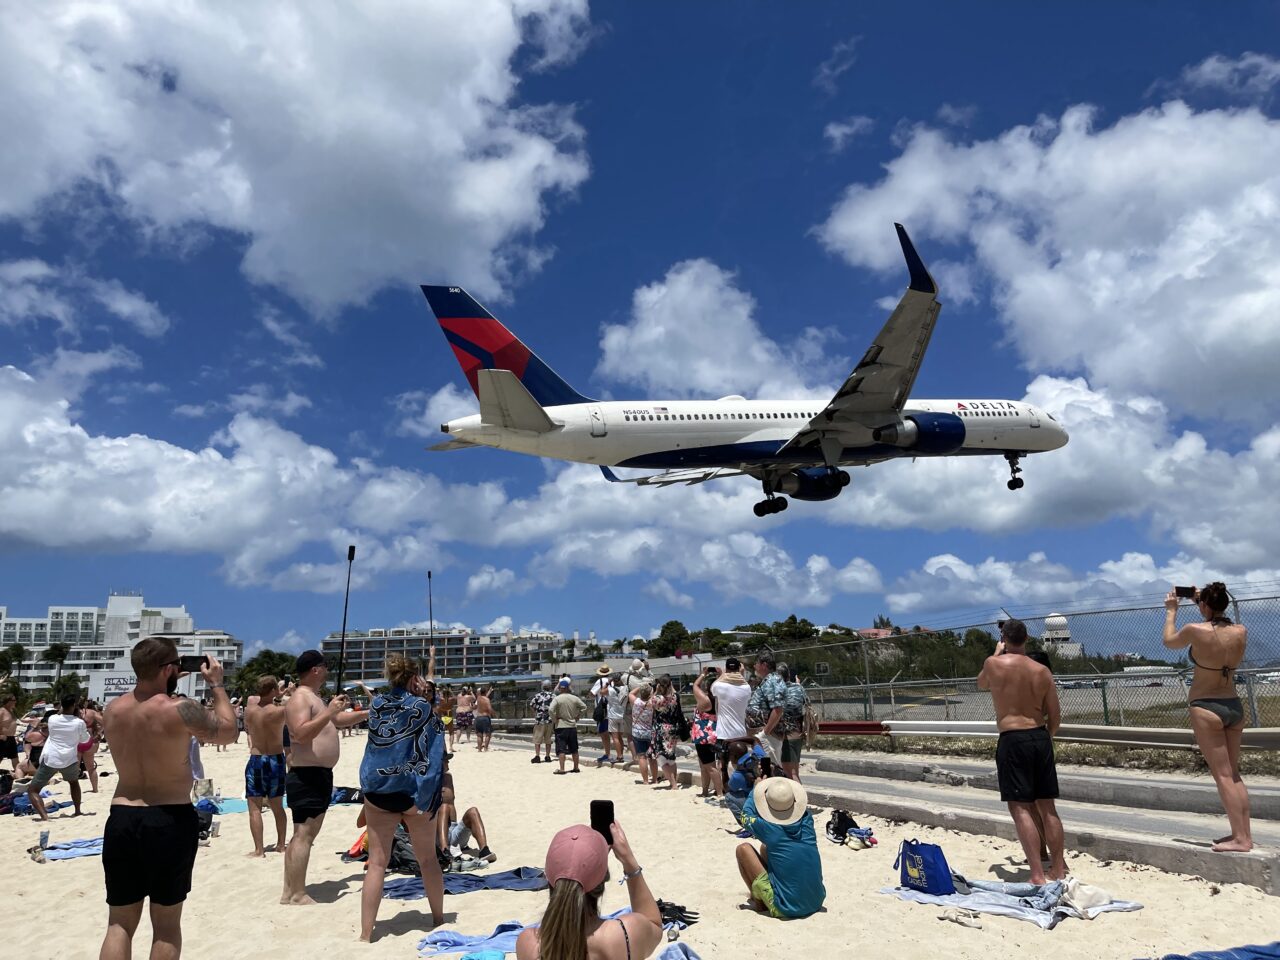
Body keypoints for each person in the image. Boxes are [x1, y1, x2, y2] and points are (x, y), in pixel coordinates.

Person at [98, 639, 237, 960]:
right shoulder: (180, 709)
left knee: (118, 924)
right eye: (176, 664)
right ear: (168, 669)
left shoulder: (112, 710)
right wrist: (216, 684)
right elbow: (228, 732)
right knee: (165, 925)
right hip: (169, 819)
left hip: (122, 817)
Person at [357, 654, 446, 941]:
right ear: (414, 678)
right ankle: (437, 918)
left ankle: (365, 933)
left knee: (378, 864)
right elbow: (435, 744)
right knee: (428, 860)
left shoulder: (378, 704)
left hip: (378, 788)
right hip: (410, 792)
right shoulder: (421, 705)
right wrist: (424, 700)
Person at [1164, 582, 1252, 853]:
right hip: (1233, 705)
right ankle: (1243, 835)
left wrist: (1171, 611)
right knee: (1233, 775)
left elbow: (1169, 642)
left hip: (1206, 706)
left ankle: (1241, 840)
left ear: (1204, 605)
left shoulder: (1194, 630)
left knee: (1222, 776)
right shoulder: (1240, 631)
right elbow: (1216, 620)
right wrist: (1203, 601)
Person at [977, 619, 1066, 883]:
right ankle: (1058, 869)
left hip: (1012, 738)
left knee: (1020, 808)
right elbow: (1056, 715)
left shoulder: (993, 664)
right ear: (1027, 638)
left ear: (1004, 639)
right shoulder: (1042, 671)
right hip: (1039, 736)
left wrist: (996, 652)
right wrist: (1045, 737)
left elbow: (981, 683)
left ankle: (1037, 873)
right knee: (1048, 807)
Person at [281, 649, 368, 906]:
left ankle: (290, 891)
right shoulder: (300, 698)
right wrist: (329, 712)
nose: (328, 672)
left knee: (301, 834)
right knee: (304, 834)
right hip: (307, 775)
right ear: (316, 670)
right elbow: (300, 734)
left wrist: (365, 714)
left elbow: (338, 720)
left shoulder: (313, 698)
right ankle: (296, 894)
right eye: (324, 667)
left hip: (316, 774)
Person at [515, 822, 663, 960]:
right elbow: (654, 924)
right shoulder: (623, 934)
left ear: (548, 879)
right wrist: (628, 861)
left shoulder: (528, 943)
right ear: (603, 881)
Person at [736, 778, 825, 918]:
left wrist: (755, 791)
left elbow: (745, 816)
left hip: (787, 908)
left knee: (743, 849)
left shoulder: (769, 829)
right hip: (816, 901)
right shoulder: (807, 821)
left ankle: (759, 903)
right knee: (766, 848)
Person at [243, 674, 289, 857]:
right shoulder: (279, 711)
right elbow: (288, 702)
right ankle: (281, 845)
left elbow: (254, 701)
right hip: (276, 758)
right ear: (272, 691)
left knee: (254, 807)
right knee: (277, 805)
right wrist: (281, 695)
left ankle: (259, 850)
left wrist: (274, 693)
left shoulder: (249, 711)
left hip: (256, 758)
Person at [26, 694, 87, 820]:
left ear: (61, 705)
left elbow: (60, 714)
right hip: (69, 759)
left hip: (51, 758)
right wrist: (78, 715)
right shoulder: (79, 723)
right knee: (74, 783)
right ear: (74, 706)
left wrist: (64, 708)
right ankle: (77, 811)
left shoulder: (53, 719)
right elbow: (85, 739)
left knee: (33, 790)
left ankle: (44, 816)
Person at [437, 771, 497, 864]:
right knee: (444, 808)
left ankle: (484, 850)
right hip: (437, 834)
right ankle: (444, 850)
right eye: (445, 759)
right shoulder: (428, 779)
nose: (448, 761)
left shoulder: (448, 777)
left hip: (455, 835)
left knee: (473, 811)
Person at [711, 657, 751, 789]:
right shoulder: (747, 687)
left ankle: (727, 791)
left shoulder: (720, 686)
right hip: (741, 733)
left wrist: (721, 674)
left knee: (723, 766)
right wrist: (741, 674)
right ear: (739, 669)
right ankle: (740, 789)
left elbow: (712, 689)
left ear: (727, 669)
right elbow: (740, 683)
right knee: (740, 764)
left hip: (724, 733)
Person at [746, 653, 787, 768]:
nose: (754, 666)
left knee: (771, 767)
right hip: (764, 734)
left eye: (756, 664)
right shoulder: (768, 680)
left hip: (769, 735)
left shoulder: (773, 680)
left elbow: (778, 709)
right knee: (763, 767)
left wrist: (765, 733)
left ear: (764, 665)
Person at [690, 666, 723, 799]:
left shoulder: (704, 700)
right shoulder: (719, 699)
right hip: (714, 732)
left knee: (709, 766)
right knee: (705, 765)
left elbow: (695, 685)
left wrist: (703, 674)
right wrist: (721, 674)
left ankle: (719, 792)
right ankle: (705, 791)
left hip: (702, 735)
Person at [647, 675, 682, 790]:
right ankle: (674, 781)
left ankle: (673, 784)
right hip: (673, 728)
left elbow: (649, 705)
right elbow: (674, 694)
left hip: (661, 729)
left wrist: (655, 691)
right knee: (671, 758)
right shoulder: (675, 697)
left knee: (661, 759)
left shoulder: (657, 698)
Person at [776, 663, 809, 782]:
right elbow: (806, 703)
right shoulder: (799, 688)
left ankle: (798, 799)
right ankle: (798, 798)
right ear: (788, 675)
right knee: (795, 771)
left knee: (790, 774)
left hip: (786, 735)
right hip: (798, 733)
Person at [550, 679, 588, 774]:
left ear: (559, 688)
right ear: (567, 688)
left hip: (561, 726)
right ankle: (576, 767)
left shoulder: (557, 699)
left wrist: (554, 719)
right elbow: (584, 707)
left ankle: (562, 769)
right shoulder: (574, 698)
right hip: (572, 725)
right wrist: (578, 715)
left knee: (561, 748)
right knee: (574, 748)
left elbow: (550, 710)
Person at [628, 685, 655, 785]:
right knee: (652, 758)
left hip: (637, 732)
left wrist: (640, 686)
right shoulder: (652, 704)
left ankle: (645, 780)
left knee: (642, 757)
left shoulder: (636, 702)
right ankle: (655, 779)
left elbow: (630, 693)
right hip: (649, 732)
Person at [79, 696, 104, 792]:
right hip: (89, 739)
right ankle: (95, 789)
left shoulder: (73, 713)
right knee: (90, 767)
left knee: (75, 768)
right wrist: (98, 733)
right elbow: (104, 722)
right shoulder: (92, 712)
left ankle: (74, 790)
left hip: (76, 740)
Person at [590, 665, 614, 764]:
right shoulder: (611, 682)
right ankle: (614, 754)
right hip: (611, 709)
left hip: (602, 710)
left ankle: (607, 754)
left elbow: (592, 694)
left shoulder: (599, 682)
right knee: (611, 734)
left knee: (603, 733)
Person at [529, 679, 555, 763]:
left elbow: (531, 705)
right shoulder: (553, 696)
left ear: (542, 686)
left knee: (537, 739)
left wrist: (536, 713)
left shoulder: (537, 696)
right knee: (548, 739)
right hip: (550, 720)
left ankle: (537, 756)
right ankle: (547, 756)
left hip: (540, 720)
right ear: (550, 687)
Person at [605, 674, 628, 765]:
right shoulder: (625, 689)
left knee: (615, 738)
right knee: (620, 737)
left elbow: (602, 691)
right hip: (622, 715)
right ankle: (621, 754)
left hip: (613, 715)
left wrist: (608, 683)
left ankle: (619, 756)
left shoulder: (610, 690)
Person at [0, 693, 19, 775]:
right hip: (2, 739)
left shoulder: (11, 711)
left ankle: (19, 775)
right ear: (8, 701)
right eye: (14, 700)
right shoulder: (1, 711)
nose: (15, 702)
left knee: (15, 759)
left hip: (11, 738)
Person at [474, 685, 495, 751]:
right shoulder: (486, 699)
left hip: (478, 718)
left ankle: (479, 749)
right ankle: (485, 748)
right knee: (488, 734)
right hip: (485, 717)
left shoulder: (478, 698)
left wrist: (489, 691)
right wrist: (493, 713)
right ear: (485, 692)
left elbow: (482, 698)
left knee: (479, 735)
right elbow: (489, 708)